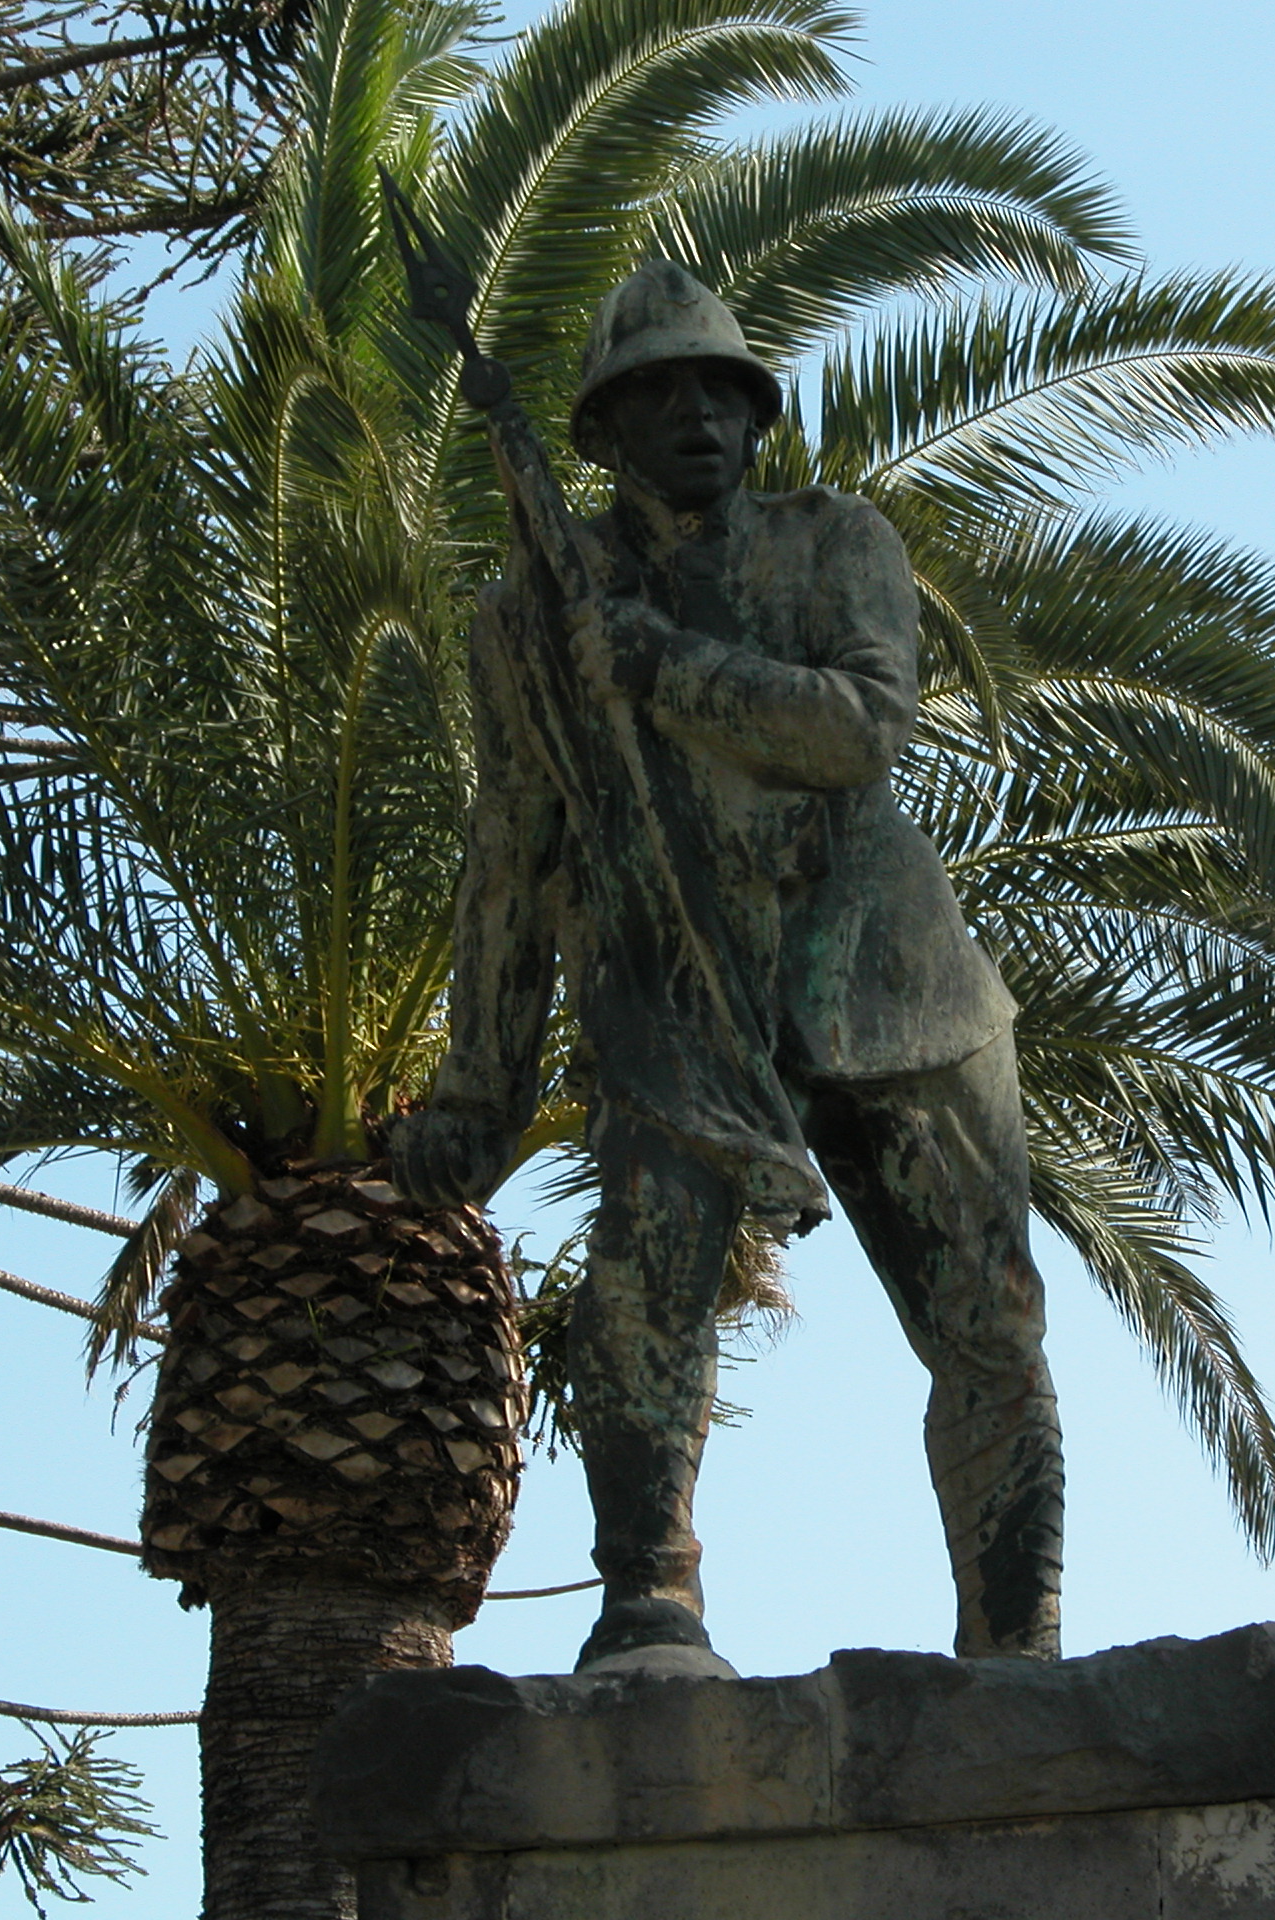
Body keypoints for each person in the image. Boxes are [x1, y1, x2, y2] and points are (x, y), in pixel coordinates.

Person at [393, 262, 1062, 1671]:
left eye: (721, 391)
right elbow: (512, 848)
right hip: (671, 986)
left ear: (759, 420)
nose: (696, 415)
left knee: (988, 1325)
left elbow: (861, 728)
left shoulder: (833, 546)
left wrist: (661, 667)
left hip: (886, 987)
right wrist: (480, 1089)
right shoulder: (527, 617)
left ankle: (1018, 1641)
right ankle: (651, 1601)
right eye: (657, 393)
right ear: (601, 431)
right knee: (641, 1288)